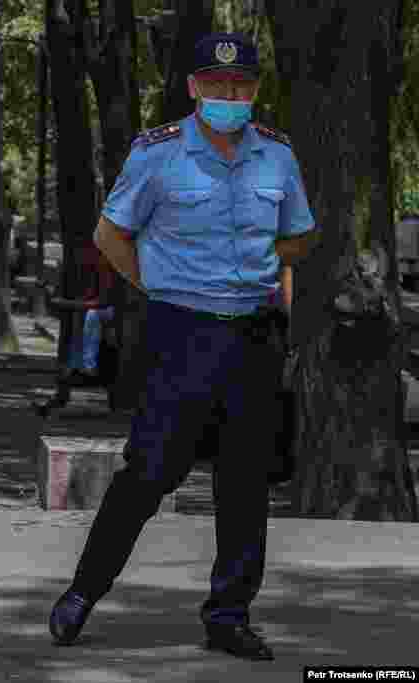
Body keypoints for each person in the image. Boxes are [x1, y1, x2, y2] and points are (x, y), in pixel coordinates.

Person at [47, 33, 318, 661]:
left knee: (245, 483)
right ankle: (82, 595)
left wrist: (261, 269)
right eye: (217, 85)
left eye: (241, 86)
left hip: (253, 335)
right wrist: (159, 284)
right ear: (194, 87)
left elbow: (299, 238)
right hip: (181, 333)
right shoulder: (158, 155)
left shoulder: (277, 157)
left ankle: (229, 615)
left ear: (254, 89)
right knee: (148, 473)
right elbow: (111, 235)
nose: (230, 95)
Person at [61, 244, 117, 385]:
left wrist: (82, 305)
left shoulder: (108, 262)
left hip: (117, 308)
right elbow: (91, 295)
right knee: (79, 316)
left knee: (92, 315)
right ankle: (74, 365)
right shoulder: (94, 266)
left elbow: (106, 300)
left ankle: (88, 366)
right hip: (105, 306)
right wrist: (80, 304)